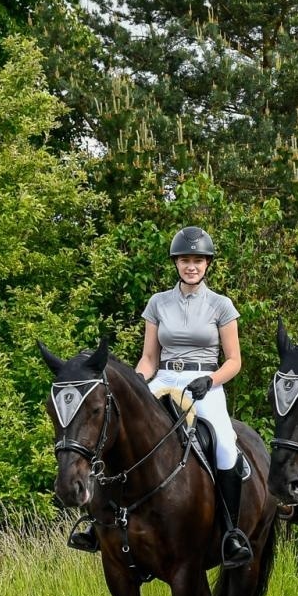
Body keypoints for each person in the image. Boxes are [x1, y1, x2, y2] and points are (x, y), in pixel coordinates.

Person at [67, 225, 253, 569]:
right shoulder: (158, 303)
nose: (191, 266)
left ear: (207, 264)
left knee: (226, 444)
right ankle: (97, 524)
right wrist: (136, 383)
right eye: (185, 260)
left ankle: (230, 534)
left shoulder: (221, 305)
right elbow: (149, 357)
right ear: (176, 263)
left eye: (198, 260)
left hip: (204, 382)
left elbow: (234, 361)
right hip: (164, 376)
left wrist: (210, 379)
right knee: (117, 433)